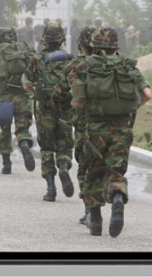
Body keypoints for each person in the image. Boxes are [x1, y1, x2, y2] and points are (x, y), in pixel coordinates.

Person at [67, 26, 152, 237]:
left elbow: (78, 102)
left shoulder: (85, 67)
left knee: (94, 171)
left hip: (95, 128)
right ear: (116, 46)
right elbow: (148, 94)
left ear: (93, 46)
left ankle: (95, 221)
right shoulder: (128, 67)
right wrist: (131, 108)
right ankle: (116, 197)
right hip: (122, 128)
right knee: (115, 170)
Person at [22, 22, 75, 202]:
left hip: (44, 110)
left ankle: (50, 189)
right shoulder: (70, 59)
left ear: (44, 38)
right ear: (61, 39)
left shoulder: (36, 59)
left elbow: (26, 84)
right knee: (65, 144)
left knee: (46, 147)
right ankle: (64, 167)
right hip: (66, 109)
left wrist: (39, 94)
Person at [52, 25, 95, 222]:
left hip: (83, 126)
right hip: (115, 125)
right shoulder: (118, 65)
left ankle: (90, 211)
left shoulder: (75, 66)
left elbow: (58, 94)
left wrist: (66, 110)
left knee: (85, 165)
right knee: (110, 165)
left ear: (81, 45)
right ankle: (117, 193)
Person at [0, 28, 35, 174]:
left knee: (5, 131)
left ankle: (6, 164)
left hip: (5, 98)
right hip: (22, 97)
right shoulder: (27, 54)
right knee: (23, 128)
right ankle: (25, 145)